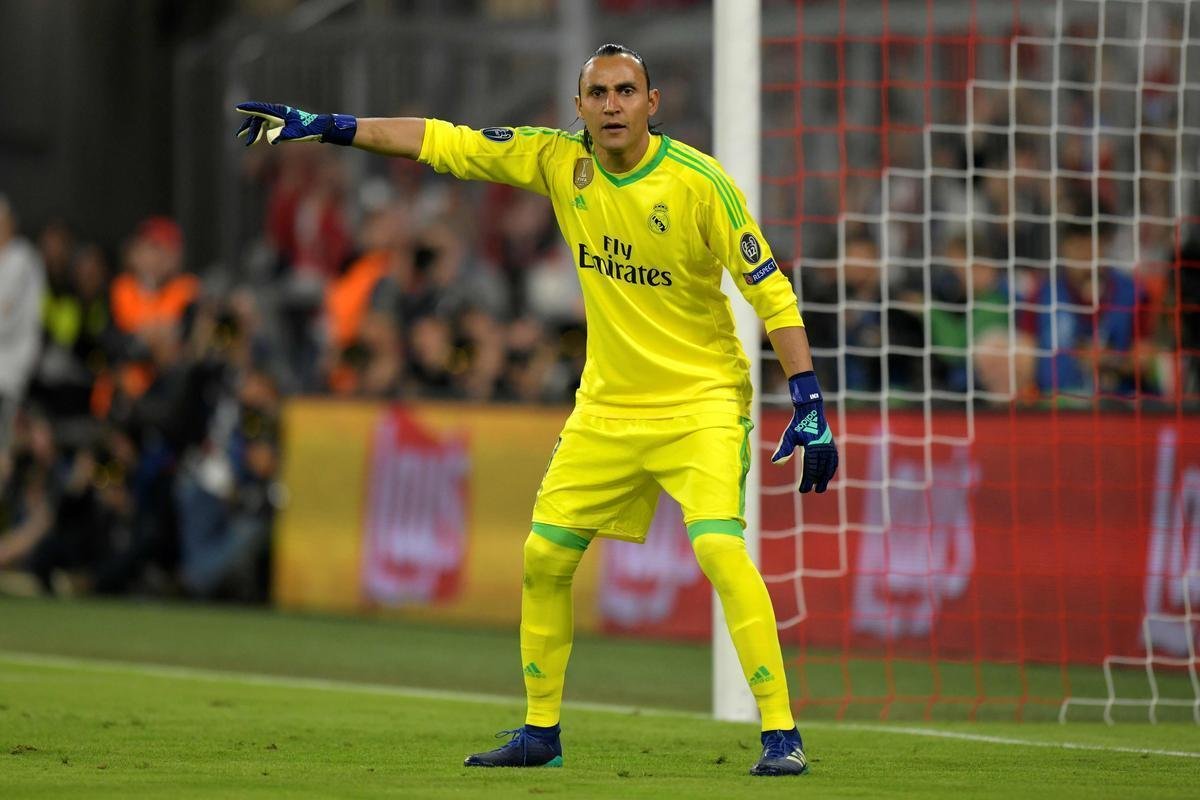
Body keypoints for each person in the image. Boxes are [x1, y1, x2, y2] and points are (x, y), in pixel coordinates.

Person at [235, 43, 838, 777]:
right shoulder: (558, 159)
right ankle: (540, 732)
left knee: (717, 547)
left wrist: (807, 396)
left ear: (652, 104)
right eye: (598, 93)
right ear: (578, 107)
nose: (612, 105)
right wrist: (327, 126)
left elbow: (771, 292)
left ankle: (780, 733)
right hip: (607, 407)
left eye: (626, 91)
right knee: (545, 556)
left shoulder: (699, 182)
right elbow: (441, 141)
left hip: (700, 400)